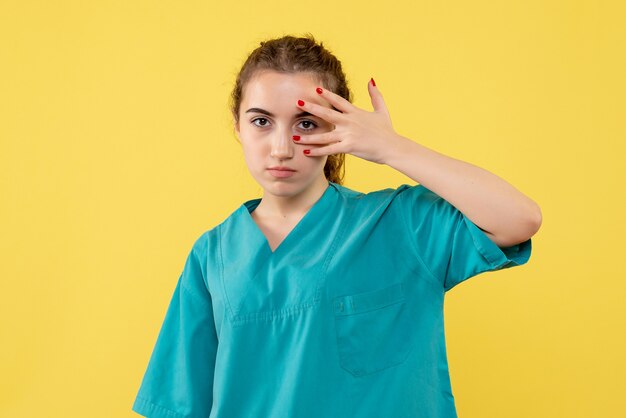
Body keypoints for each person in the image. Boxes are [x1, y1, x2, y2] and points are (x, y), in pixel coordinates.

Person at [131, 33, 541, 418]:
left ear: (339, 129)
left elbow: (519, 219)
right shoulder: (212, 256)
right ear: (237, 126)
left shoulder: (400, 225)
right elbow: (178, 404)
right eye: (261, 121)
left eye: (306, 123)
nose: (281, 147)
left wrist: (391, 147)